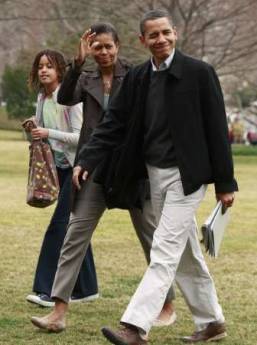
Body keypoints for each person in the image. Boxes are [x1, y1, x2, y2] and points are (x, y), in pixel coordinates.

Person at [65, 10, 237, 344]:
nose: (161, 40)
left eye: (165, 33)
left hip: (188, 178)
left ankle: (135, 327)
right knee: (185, 251)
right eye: (153, 36)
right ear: (143, 41)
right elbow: (112, 123)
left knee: (164, 249)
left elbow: (217, 129)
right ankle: (212, 320)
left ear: (175, 33)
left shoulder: (200, 73)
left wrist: (225, 183)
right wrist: (86, 158)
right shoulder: (138, 78)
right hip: (153, 177)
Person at [30, 23, 176, 332]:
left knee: (151, 237)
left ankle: (166, 304)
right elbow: (66, 99)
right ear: (91, 50)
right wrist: (76, 64)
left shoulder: (137, 74)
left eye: (108, 46)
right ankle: (58, 311)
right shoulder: (85, 77)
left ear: (118, 46)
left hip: (131, 169)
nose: (104, 51)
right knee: (75, 235)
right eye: (98, 47)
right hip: (93, 167)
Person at [25, 49, 99, 308]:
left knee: (58, 226)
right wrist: (35, 130)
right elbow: (44, 135)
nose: (44, 70)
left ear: (60, 71)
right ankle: (87, 288)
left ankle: (46, 290)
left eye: (49, 66)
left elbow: (83, 137)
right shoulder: (42, 98)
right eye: (40, 66)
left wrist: (49, 131)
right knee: (74, 227)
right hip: (59, 169)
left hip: (80, 168)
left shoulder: (71, 99)